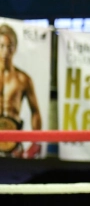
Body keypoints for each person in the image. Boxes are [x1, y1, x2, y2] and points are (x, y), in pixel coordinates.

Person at [0, 23, 43, 159]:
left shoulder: (23, 79)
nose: (5, 51)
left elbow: (35, 111)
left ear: (15, 48)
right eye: (1, 46)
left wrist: (36, 142)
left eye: (9, 46)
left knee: (16, 178)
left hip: (14, 142)